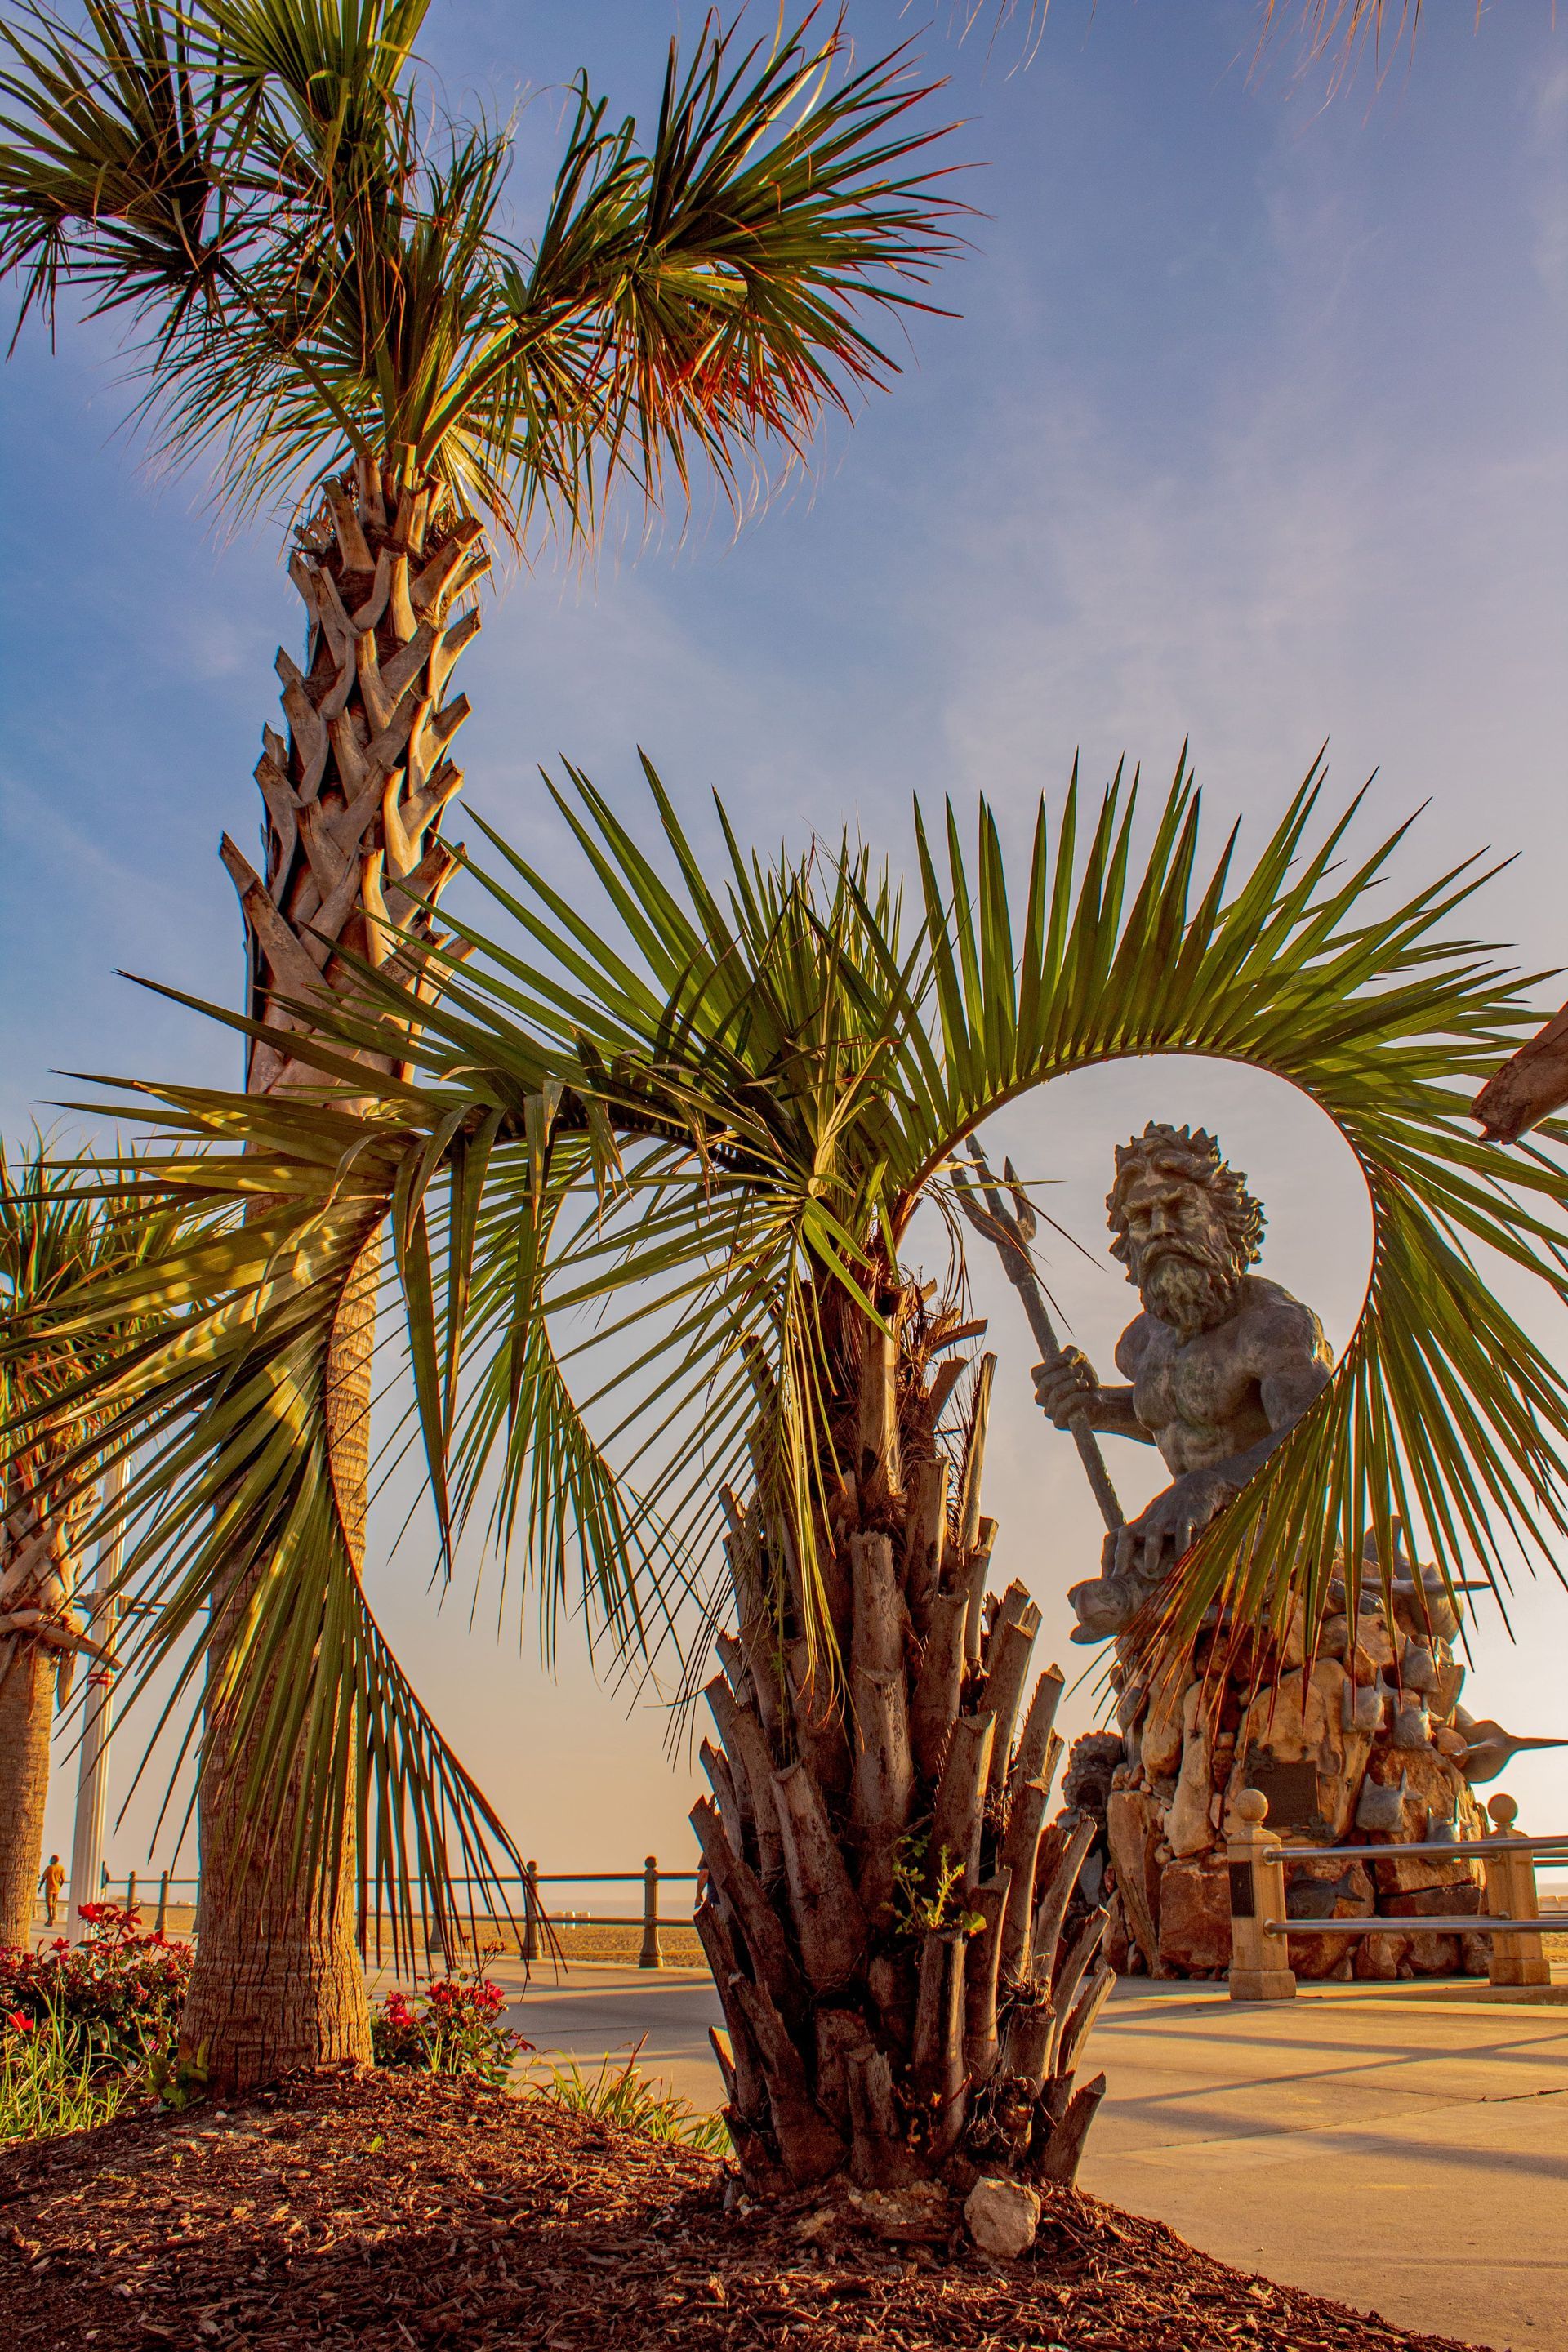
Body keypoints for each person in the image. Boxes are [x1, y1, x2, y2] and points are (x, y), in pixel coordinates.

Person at [1034, 1122, 1332, 1642]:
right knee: (1104, 1586)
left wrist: (1210, 1482)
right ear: (1127, 1242)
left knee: (1120, 1588)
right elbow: (1175, 1416)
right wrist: (1092, 1403)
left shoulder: (1272, 1326)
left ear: (1227, 1223)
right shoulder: (1141, 1343)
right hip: (1186, 1537)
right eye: (1144, 1219)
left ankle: (1155, 1594)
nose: (1162, 1230)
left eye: (1179, 1209)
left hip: (1276, 1538)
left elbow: (1316, 1441)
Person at [39, 1853, 66, 1927]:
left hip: (49, 1888)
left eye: (51, 1859)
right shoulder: (61, 1868)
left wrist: (40, 1886)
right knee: (54, 1904)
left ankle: (50, 1919)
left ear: (54, 1860)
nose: (50, 1860)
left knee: (49, 1904)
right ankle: (53, 1917)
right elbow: (63, 1879)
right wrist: (59, 1886)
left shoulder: (49, 1868)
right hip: (56, 1888)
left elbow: (44, 1878)